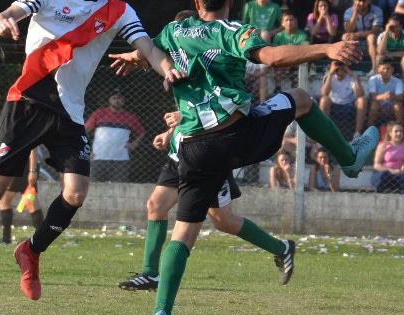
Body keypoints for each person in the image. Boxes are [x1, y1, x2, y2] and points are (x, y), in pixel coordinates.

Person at [113, 0, 378, 315]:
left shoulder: (173, 33)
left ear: (196, 1)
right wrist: (328, 48)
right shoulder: (232, 31)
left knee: (183, 235)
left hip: (193, 148)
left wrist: (133, 57)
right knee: (301, 98)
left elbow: (149, 53)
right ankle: (350, 159)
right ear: (231, 2)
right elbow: (271, 58)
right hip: (237, 137)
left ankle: (161, 314)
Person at [0, 0, 176, 309]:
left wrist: (167, 69)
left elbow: (146, 46)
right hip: (27, 102)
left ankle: (30, 252)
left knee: (76, 193)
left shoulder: (119, 11)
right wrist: (3, 19)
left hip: (70, 112)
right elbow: (13, 12)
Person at [118, 111, 293, 292]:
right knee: (155, 206)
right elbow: (188, 113)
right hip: (179, 155)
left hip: (207, 159)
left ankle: (281, 248)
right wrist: (169, 134)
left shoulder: (216, 82)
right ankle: (150, 273)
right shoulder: (181, 83)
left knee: (223, 221)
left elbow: (230, 113)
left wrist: (186, 117)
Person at [84, 88, 145, 182]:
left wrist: (133, 145)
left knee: (120, 186)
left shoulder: (130, 117)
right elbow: (84, 131)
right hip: (98, 157)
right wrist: (87, 150)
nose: (117, 100)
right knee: (94, 185)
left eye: (120, 98)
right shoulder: (99, 113)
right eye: (114, 98)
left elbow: (141, 132)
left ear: (124, 101)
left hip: (121, 159)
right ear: (109, 100)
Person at [0, 149, 43, 245]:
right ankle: (41, 238)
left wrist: (32, 170)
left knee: (6, 200)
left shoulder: (26, 133)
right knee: (31, 202)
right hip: (16, 165)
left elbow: (33, 148)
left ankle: (6, 239)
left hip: (20, 166)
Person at [319, 60, 367, 141]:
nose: (340, 67)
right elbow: (324, 93)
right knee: (324, 100)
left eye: (342, 65)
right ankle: (325, 131)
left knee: (362, 100)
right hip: (334, 104)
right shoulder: (329, 77)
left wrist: (353, 76)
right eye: (337, 65)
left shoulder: (351, 77)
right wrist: (330, 73)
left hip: (349, 104)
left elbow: (360, 94)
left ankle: (357, 133)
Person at [343, 0, 384, 64]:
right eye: (359, 0)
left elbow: (375, 30)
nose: (361, 3)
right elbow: (348, 29)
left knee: (371, 37)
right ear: (355, 0)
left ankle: (374, 67)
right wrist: (355, 13)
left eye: (364, 0)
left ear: (369, 0)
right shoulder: (348, 11)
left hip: (372, 38)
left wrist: (357, 34)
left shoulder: (377, 10)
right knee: (345, 37)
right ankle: (348, 66)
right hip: (356, 40)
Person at [373, 121, 404, 193]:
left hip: (399, 174)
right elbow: (376, 165)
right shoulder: (383, 145)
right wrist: (392, 171)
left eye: (401, 131)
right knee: (384, 175)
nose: (399, 133)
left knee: (403, 177)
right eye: (396, 131)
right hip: (384, 174)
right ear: (390, 133)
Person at [367, 60, 404, 127]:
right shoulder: (373, 79)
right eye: (383, 68)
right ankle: (370, 128)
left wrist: (392, 95)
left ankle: (400, 128)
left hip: (391, 107)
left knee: (398, 105)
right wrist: (384, 96)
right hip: (378, 106)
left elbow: (400, 97)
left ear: (392, 70)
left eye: (388, 68)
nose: (385, 71)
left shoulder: (397, 81)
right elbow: (372, 96)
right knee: (374, 104)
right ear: (378, 69)